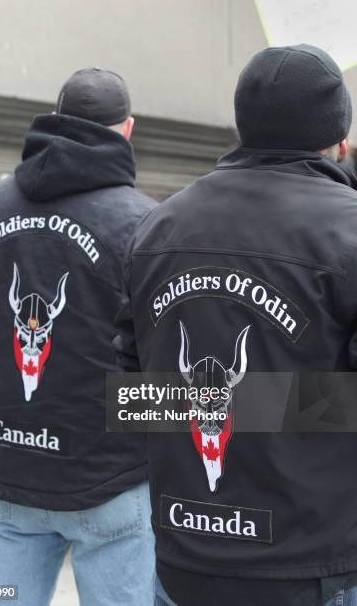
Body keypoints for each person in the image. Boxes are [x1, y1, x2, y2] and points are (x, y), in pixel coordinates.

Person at [115, 44, 357, 606]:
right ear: (338, 140)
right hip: (311, 567)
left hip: (186, 559)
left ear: (241, 125)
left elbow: (135, 390)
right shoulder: (349, 232)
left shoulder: (158, 226)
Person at [0, 67, 155, 606]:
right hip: (108, 475)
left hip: (14, 472)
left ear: (55, 120)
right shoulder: (144, 222)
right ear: (126, 129)